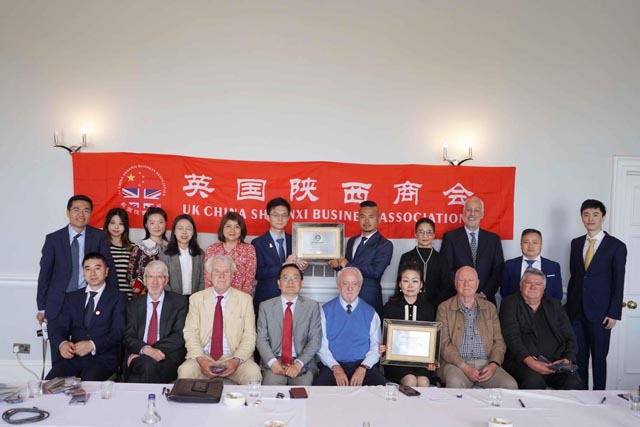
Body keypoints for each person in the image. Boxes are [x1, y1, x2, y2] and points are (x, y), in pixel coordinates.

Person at [37, 195, 117, 361]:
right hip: (57, 303)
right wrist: (41, 308)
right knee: (60, 351)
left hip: (86, 300)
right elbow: (44, 274)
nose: (81, 214)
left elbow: (108, 267)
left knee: (86, 350)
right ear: (68, 213)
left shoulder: (98, 236)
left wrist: (113, 298)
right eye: (76, 210)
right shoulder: (53, 239)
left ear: (91, 214)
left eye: (86, 210)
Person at [566, 199, 627, 390]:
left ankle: (600, 397)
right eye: (586, 215)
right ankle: (582, 396)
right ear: (582, 218)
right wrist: (568, 309)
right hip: (577, 312)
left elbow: (618, 282)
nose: (590, 218)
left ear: (603, 217)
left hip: (601, 314)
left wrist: (614, 313)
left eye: (595, 214)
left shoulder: (616, 246)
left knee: (599, 359)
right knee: (579, 359)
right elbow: (575, 277)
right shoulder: (576, 243)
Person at [177, 255, 261, 385]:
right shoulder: (196, 299)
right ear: (209, 275)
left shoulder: (245, 300)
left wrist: (236, 360)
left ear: (232, 275)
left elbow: (250, 335)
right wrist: (201, 359)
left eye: (226, 272)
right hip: (204, 356)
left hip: (234, 357)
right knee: (185, 370)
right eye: (216, 271)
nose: (221, 276)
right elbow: (190, 332)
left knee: (253, 372)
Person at [46, 252, 126, 381]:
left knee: (87, 386)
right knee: (50, 383)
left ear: (106, 271)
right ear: (83, 272)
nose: (92, 274)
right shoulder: (72, 298)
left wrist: (92, 345)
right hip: (73, 357)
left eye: (97, 268)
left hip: (102, 359)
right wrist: (62, 343)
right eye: (88, 269)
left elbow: (118, 331)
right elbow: (59, 328)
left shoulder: (118, 298)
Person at [500, 268, 584, 390]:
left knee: (574, 383)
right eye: (528, 283)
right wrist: (532, 363)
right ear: (520, 285)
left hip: (555, 363)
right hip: (523, 362)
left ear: (543, 288)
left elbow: (570, 337)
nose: (533, 287)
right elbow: (512, 339)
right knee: (533, 382)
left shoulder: (555, 305)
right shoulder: (509, 303)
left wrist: (567, 359)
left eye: (538, 284)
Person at [436, 266, 517, 389]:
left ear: (477, 283)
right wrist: (464, 366)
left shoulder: (490, 308)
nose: (466, 284)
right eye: (462, 280)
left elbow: (499, 342)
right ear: (455, 283)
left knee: (510, 385)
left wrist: (493, 365)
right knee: (455, 383)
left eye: (471, 280)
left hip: (487, 364)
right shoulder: (444, 308)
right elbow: (443, 344)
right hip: (456, 365)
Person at [314, 267, 387, 386]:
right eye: (345, 283)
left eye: (354, 284)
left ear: (360, 286)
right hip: (333, 365)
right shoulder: (325, 311)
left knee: (383, 390)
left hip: (362, 365)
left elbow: (375, 348)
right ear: (338, 285)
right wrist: (335, 367)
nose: (350, 288)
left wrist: (363, 367)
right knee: (317, 391)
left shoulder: (371, 312)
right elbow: (321, 347)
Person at [256, 264, 322, 385]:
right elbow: (261, 339)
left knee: (301, 391)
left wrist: (298, 364)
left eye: (295, 278)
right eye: (285, 278)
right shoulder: (265, 306)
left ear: (301, 283)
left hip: (302, 362)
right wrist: (272, 362)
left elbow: (315, 340)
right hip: (275, 360)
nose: (290, 282)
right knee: (271, 389)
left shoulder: (312, 306)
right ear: (279, 283)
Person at [123, 260, 188, 383]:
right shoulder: (133, 305)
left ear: (166, 280)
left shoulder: (179, 302)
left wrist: (148, 350)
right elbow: (128, 336)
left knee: (145, 367)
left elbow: (179, 335)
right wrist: (144, 350)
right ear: (144, 280)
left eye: (159, 277)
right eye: (150, 277)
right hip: (139, 354)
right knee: (146, 365)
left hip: (167, 355)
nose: (154, 282)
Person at [327, 201, 393, 317]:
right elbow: (347, 268)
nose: (366, 221)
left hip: (369, 298)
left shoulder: (385, 245)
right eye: (363, 217)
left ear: (379, 219)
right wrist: (337, 266)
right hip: (347, 296)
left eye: (371, 217)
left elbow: (375, 272)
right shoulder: (352, 241)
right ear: (358, 218)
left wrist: (347, 265)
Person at [380, 263, 436, 387]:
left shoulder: (428, 309)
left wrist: (433, 359)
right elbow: (383, 337)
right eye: (406, 281)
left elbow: (432, 341)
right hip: (396, 362)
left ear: (421, 284)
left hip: (421, 362)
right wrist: (382, 346)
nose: (410, 286)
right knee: (410, 380)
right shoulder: (390, 308)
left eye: (415, 281)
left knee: (423, 382)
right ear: (400, 284)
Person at [440, 196, 504, 304]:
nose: (472, 214)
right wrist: (464, 292)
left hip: (485, 300)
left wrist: (485, 293)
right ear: (463, 213)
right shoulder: (450, 238)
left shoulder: (493, 240)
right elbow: (446, 269)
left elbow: (498, 270)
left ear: (482, 214)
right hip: (458, 299)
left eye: (476, 210)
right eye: (469, 210)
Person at [252, 198, 307, 313]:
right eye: (276, 215)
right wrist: (283, 265)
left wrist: (301, 267)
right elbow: (258, 273)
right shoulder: (258, 243)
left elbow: (297, 271)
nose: (280, 219)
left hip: (291, 299)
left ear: (289, 217)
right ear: (268, 217)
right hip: (266, 298)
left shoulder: (295, 240)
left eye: (284, 215)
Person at [398, 218, 454, 307]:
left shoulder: (441, 258)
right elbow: (400, 284)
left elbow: (446, 287)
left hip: (436, 306)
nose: (425, 236)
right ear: (415, 234)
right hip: (409, 304)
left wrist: (432, 305)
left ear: (434, 235)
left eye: (429, 232)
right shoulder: (406, 257)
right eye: (421, 232)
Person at [501, 229, 562, 300]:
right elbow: (504, 292)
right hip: (515, 306)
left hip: (546, 306)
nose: (530, 246)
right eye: (526, 242)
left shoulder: (553, 266)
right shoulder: (509, 265)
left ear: (541, 245)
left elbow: (557, 295)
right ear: (521, 245)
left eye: (535, 242)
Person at [204, 211, 256, 295]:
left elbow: (249, 279)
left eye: (236, 227)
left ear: (241, 229)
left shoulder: (248, 249)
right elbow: (208, 278)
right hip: (216, 297)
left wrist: (241, 299)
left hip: (240, 298)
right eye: (228, 226)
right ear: (222, 228)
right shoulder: (212, 249)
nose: (232, 230)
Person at [159, 214, 204, 296]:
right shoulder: (165, 254)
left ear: (193, 232)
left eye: (188, 229)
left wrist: (197, 298)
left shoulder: (200, 254)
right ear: (174, 232)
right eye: (180, 228)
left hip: (195, 298)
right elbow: (163, 280)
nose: (184, 232)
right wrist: (174, 299)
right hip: (173, 299)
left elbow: (202, 280)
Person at [128, 207, 168, 297]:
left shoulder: (171, 247)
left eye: (160, 222)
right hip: (146, 297)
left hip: (169, 296)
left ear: (166, 223)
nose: (157, 226)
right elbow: (132, 276)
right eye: (152, 223)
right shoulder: (140, 248)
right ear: (146, 225)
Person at [103, 208, 134, 298]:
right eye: (113, 223)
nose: (116, 227)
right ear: (107, 224)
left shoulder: (133, 248)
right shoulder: (101, 247)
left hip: (127, 297)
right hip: (107, 297)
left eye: (121, 224)